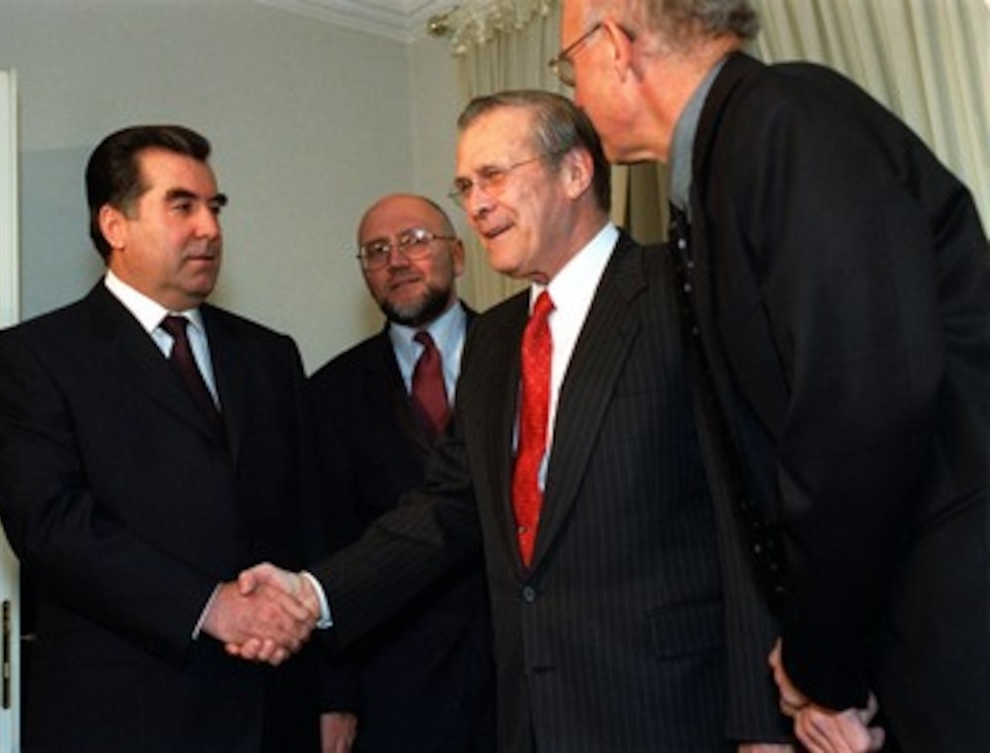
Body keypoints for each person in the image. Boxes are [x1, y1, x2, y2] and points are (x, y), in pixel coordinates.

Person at [236, 91, 792, 752]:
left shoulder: (677, 290)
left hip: (673, 710)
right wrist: (312, 590)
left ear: (575, 173)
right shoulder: (498, 338)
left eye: (494, 176)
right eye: (466, 185)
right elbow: (447, 507)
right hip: (530, 717)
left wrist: (765, 720)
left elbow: (749, 504)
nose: (475, 204)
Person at [555, 1, 990, 750]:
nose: (572, 94)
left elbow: (864, 410)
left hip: (954, 613)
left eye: (570, 66)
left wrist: (823, 664)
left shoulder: (785, 121)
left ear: (617, 46)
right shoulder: (724, 164)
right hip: (898, 621)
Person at [0, 125, 324, 752]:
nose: (210, 229)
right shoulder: (34, 357)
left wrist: (333, 690)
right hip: (125, 711)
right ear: (115, 225)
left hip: (275, 708)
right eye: (182, 205)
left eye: (214, 208)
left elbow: (310, 519)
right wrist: (208, 606)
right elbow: (51, 524)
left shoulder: (270, 355)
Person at [310, 193, 496, 751]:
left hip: (523, 669)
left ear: (458, 255)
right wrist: (335, 696)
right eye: (376, 250)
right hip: (399, 689)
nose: (396, 260)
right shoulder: (327, 394)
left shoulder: (520, 355)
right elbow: (326, 543)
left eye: (415, 240)